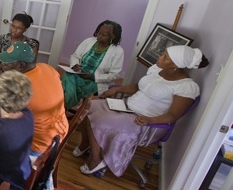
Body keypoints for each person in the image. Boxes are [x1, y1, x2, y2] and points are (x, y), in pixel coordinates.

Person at [74, 45, 208, 177]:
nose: (160, 57)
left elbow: (173, 116)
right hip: (126, 106)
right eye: (163, 54)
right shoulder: (157, 70)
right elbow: (138, 87)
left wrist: (150, 120)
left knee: (98, 119)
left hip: (145, 121)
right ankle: (86, 144)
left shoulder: (186, 87)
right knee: (87, 106)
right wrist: (117, 89)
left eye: (165, 57)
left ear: (175, 66)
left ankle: (95, 159)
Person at [0, 42, 68, 160]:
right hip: (59, 132)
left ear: (21, 65)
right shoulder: (46, 68)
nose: (2, 65)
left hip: (36, 146)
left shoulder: (17, 88)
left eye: (6, 63)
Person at [61, 20, 125, 109]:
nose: (99, 36)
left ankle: (62, 107)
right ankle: (65, 106)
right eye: (99, 32)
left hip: (95, 81)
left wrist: (93, 76)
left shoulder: (118, 51)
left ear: (113, 37)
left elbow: (115, 75)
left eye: (104, 35)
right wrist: (75, 65)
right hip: (78, 74)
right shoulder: (88, 41)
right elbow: (75, 56)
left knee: (68, 88)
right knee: (67, 76)